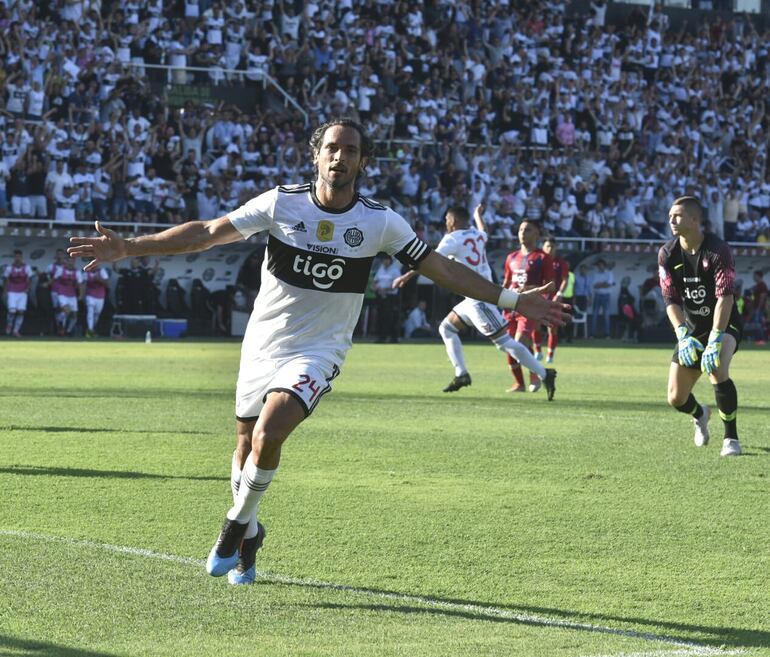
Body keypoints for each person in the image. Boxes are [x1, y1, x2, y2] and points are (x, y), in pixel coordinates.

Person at [68, 119, 569, 586]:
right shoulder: (281, 204)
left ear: (361, 162)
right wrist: (129, 247)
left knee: (271, 430)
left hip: (320, 348)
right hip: (264, 344)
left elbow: (442, 268)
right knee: (244, 448)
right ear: (317, 157)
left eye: (350, 150)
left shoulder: (380, 222)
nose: (340, 157)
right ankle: (253, 532)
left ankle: (235, 523)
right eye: (332, 148)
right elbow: (205, 233)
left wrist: (510, 299)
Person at [394, 204, 556, 398]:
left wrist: (405, 277)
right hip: (474, 297)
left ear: (452, 221)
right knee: (446, 328)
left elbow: (430, 260)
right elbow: (484, 231)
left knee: (504, 342)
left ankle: (545, 374)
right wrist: (477, 215)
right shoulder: (476, 235)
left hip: (479, 298)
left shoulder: (452, 239)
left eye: (447, 220)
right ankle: (461, 374)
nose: (446, 223)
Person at [659, 196, 744, 457]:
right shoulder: (667, 253)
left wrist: (716, 338)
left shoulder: (719, 250)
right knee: (675, 398)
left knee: (717, 367)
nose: (671, 220)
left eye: (678, 215)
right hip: (692, 328)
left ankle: (731, 438)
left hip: (724, 322)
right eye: (670, 215)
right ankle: (701, 414)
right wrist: (683, 334)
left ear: (695, 220)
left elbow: (725, 298)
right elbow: (671, 300)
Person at [502, 219, 555, 392]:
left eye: (528, 230)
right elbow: (507, 282)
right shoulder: (511, 257)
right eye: (521, 229)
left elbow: (551, 285)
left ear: (537, 234)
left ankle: (535, 375)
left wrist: (530, 290)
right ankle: (519, 383)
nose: (523, 233)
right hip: (509, 307)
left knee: (518, 344)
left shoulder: (543, 257)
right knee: (508, 346)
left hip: (529, 308)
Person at [532, 237, 570, 363]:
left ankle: (550, 354)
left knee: (552, 327)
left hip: (554, 299)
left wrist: (559, 293)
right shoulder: (537, 260)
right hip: (538, 298)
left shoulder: (560, 263)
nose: (550, 249)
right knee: (534, 324)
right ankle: (538, 351)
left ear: (556, 248)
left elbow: (565, 279)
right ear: (543, 247)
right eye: (547, 246)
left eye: (552, 247)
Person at [372, 253, 402, 343]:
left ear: (390, 260)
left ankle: (394, 338)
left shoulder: (395, 270)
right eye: (383, 260)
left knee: (391, 318)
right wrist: (375, 287)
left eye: (386, 259)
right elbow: (376, 281)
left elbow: (397, 284)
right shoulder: (381, 269)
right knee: (381, 317)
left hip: (391, 297)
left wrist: (384, 289)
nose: (384, 261)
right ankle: (382, 337)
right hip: (381, 297)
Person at [3, 250, 32, 336]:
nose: (17, 258)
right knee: (12, 311)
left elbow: (29, 280)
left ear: (22, 258)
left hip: (22, 292)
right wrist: (5, 291)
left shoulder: (27, 268)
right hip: (12, 291)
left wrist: (28, 288)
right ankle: (9, 325)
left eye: (19, 257)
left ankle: (16, 330)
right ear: (14, 258)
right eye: (16, 257)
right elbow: (6, 280)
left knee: (20, 312)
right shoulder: (9, 268)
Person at [590, 258, 614, 338]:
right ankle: (592, 334)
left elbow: (609, 284)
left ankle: (607, 334)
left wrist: (600, 284)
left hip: (606, 295)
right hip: (597, 296)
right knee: (594, 315)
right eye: (598, 266)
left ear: (604, 265)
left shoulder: (609, 273)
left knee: (606, 315)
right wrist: (603, 284)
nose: (599, 267)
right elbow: (594, 285)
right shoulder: (596, 274)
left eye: (601, 265)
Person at [83, 266, 110, 337]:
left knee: (97, 314)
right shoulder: (87, 272)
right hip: (90, 295)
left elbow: (107, 284)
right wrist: (82, 295)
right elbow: (84, 284)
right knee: (90, 312)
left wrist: (99, 279)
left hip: (100, 296)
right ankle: (90, 330)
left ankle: (93, 328)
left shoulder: (102, 271)